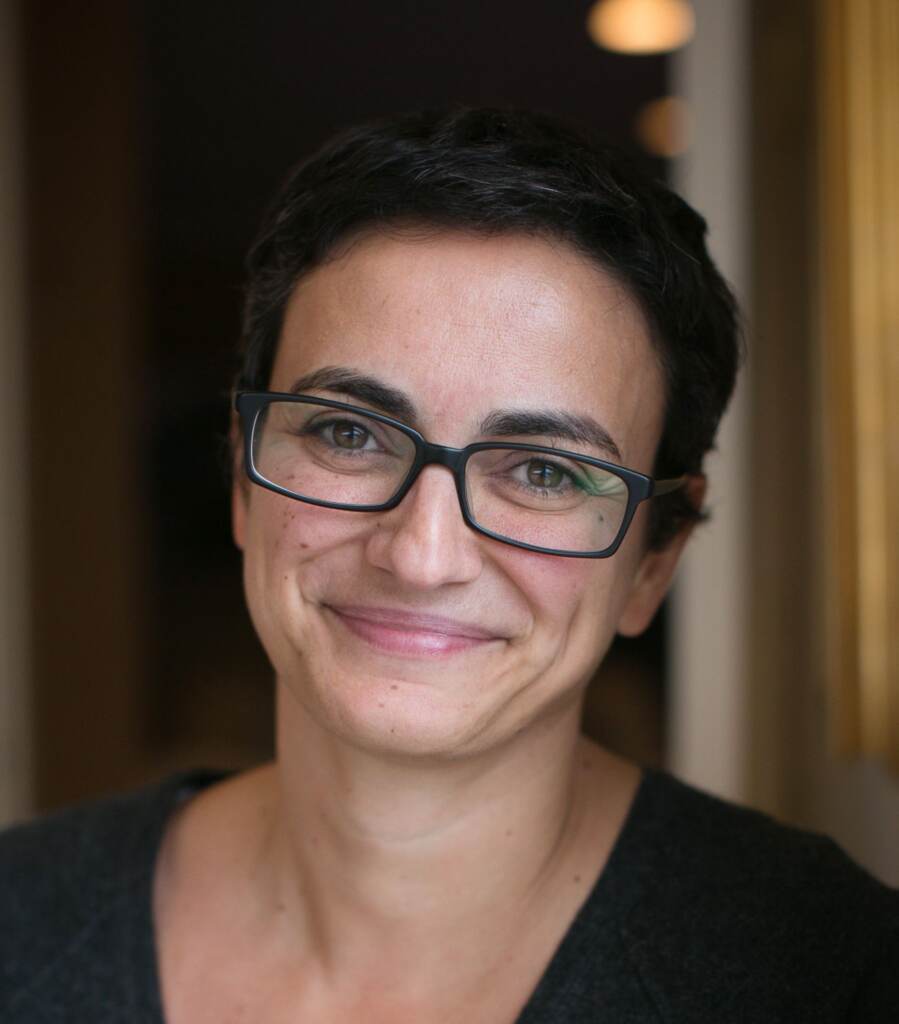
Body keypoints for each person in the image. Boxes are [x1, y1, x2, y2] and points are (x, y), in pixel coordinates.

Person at [1, 107, 896, 1023]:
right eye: (348, 433)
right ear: (241, 475)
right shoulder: (18, 923)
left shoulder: (832, 979)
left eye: (544, 472)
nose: (421, 555)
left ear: (652, 560)